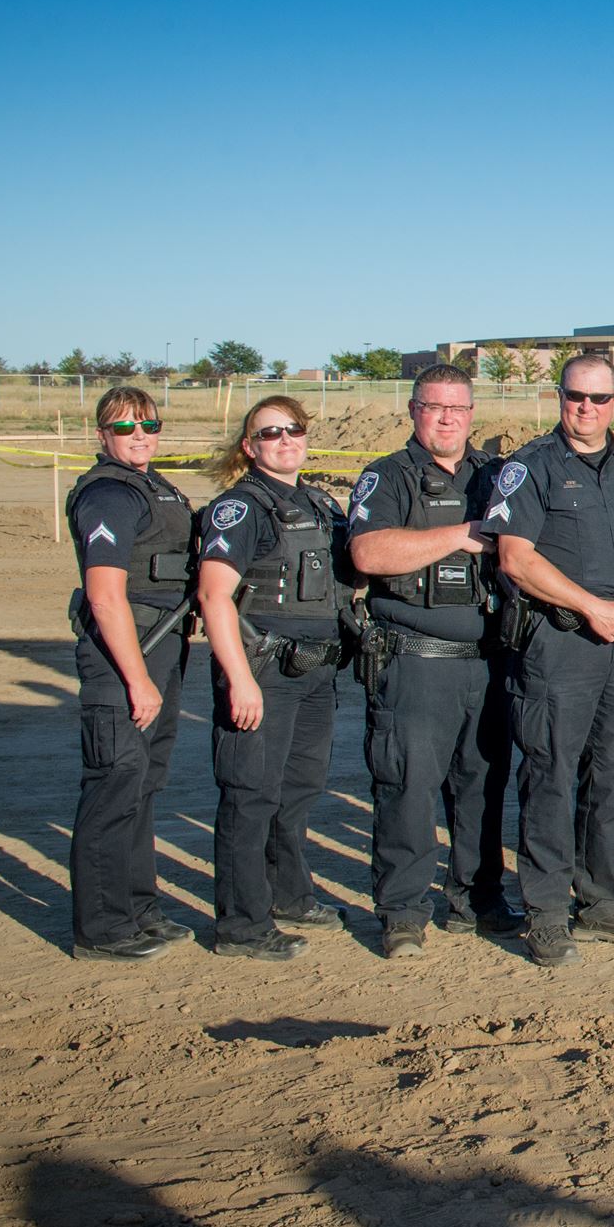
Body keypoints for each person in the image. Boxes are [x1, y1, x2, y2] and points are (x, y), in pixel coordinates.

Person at [480, 354, 614, 968]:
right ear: (559, 397)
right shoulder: (529, 467)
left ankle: (598, 898)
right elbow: (515, 558)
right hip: (559, 640)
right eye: (574, 396)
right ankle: (545, 911)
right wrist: (593, 607)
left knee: (613, 775)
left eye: (597, 398)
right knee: (550, 774)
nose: (585, 408)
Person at [345, 364, 518, 959]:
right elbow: (368, 551)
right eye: (434, 406)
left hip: (488, 659)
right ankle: (402, 910)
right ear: (413, 410)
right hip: (415, 661)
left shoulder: (495, 476)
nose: (447, 418)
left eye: (458, 408)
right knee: (407, 787)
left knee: (482, 786)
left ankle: (479, 898)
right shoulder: (387, 477)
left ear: (473, 415)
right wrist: (460, 532)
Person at [194, 395, 350, 960]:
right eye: (270, 433)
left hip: (316, 671)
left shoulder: (318, 502)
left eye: (294, 431)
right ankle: (241, 925)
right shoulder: (240, 509)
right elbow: (214, 596)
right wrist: (240, 680)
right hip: (264, 671)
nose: (285, 441)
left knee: (297, 792)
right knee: (250, 796)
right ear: (249, 446)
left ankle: (288, 894)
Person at [65, 385, 196, 960]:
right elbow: (104, 595)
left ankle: (139, 910)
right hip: (124, 660)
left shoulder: (154, 486)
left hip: (158, 651)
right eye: (125, 427)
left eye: (148, 424)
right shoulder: (109, 495)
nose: (139, 434)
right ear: (102, 435)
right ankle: (102, 929)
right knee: (113, 790)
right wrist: (136, 679)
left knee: (142, 789)